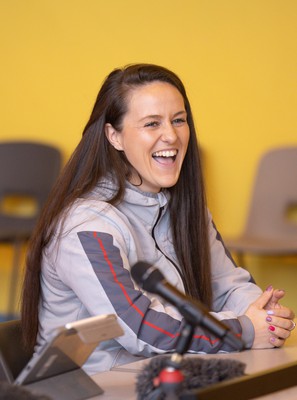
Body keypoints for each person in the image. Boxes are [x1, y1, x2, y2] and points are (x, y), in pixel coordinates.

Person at [21, 63, 295, 374]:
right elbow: (140, 327)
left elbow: (226, 283)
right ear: (115, 136)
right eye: (152, 124)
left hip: (166, 373)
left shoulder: (184, 208)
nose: (171, 135)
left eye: (179, 120)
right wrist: (245, 328)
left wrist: (264, 314)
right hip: (94, 388)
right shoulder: (86, 227)